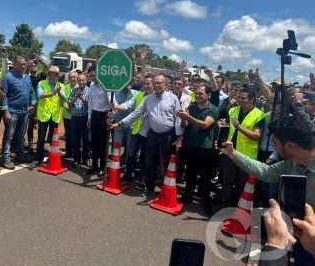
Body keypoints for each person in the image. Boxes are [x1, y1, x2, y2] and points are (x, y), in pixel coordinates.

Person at [221, 114, 315, 265]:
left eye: (275, 143)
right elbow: (266, 172)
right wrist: (233, 153)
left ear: (291, 146)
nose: (273, 147)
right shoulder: (290, 163)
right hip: (297, 240)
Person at [111, 74, 183, 195]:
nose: (157, 85)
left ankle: (166, 192)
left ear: (166, 85)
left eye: (160, 83)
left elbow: (178, 118)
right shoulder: (148, 99)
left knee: (165, 163)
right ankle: (149, 187)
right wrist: (120, 123)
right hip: (153, 135)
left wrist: (179, 138)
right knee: (150, 161)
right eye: (155, 83)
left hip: (168, 136)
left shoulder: (172, 98)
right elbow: (136, 113)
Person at [219, 86, 265, 207]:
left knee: (242, 184)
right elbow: (230, 126)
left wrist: (239, 127)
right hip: (230, 152)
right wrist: (225, 124)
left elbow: (256, 135)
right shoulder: (234, 110)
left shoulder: (259, 115)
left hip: (246, 156)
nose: (240, 100)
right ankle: (224, 206)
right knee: (227, 180)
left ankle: (239, 210)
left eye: (243, 98)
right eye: (239, 97)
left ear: (252, 99)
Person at [177, 83, 218, 215]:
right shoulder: (192, 107)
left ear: (208, 95)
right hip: (191, 145)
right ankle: (187, 196)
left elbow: (205, 125)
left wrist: (188, 117)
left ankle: (205, 203)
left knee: (205, 177)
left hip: (205, 148)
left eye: (201, 93)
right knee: (190, 173)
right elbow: (186, 124)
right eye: (197, 93)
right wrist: (183, 119)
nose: (198, 96)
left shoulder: (213, 109)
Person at [0, 56, 36, 169]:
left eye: (24, 64)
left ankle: (20, 155)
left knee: (20, 135)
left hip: (24, 112)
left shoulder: (26, 77)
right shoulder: (8, 77)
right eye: (21, 64)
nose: (23, 66)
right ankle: (6, 159)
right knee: (9, 135)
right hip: (12, 111)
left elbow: (31, 91)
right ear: (15, 65)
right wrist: (5, 111)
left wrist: (33, 103)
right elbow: (3, 96)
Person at [31, 66, 66, 168]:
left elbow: (64, 99)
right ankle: (39, 158)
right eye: (51, 74)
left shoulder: (61, 86)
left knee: (52, 139)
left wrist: (59, 92)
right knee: (41, 139)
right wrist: (53, 93)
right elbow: (40, 95)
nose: (53, 77)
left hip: (54, 116)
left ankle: (51, 157)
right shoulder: (41, 83)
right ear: (48, 74)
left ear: (57, 76)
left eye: (55, 75)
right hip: (43, 115)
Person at [122, 74, 154, 183]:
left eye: (148, 84)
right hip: (136, 130)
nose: (146, 86)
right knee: (131, 154)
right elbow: (129, 106)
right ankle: (128, 174)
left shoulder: (157, 98)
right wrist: (115, 107)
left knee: (146, 157)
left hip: (150, 133)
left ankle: (143, 178)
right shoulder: (139, 95)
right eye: (144, 83)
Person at [87, 68, 110, 175]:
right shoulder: (91, 85)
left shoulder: (106, 85)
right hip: (94, 115)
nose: (93, 78)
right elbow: (90, 102)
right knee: (94, 142)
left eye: (94, 75)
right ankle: (94, 166)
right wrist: (89, 117)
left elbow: (111, 101)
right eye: (91, 76)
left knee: (103, 143)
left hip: (104, 116)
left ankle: (102, 167)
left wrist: (111, 115)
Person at [68, 74, 90, 165]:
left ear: (86, 80)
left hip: (85, 118)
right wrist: (76, 97)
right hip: (75, 118)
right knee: (75, 139)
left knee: (86, 139)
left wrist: (81, 98)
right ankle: (76, 158)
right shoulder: (73, 90)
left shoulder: (90, 91)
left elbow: (89, 105)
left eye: (83, 80)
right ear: (77, 81)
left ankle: (85, 159)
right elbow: (69, 104)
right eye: (79, 80)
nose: (81, 82)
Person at [63, 71, 78, 159]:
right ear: (68, 78)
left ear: (76, 78)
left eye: (74, 77)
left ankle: (76, 154)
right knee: (68, 136)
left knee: (76, 136)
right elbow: (63, 100)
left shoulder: (80, 87)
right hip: (67, 116)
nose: (72, 79)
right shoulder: (65, 87)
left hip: (77, 116)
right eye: (70, 77)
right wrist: (67, 107)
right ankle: (68, 153)